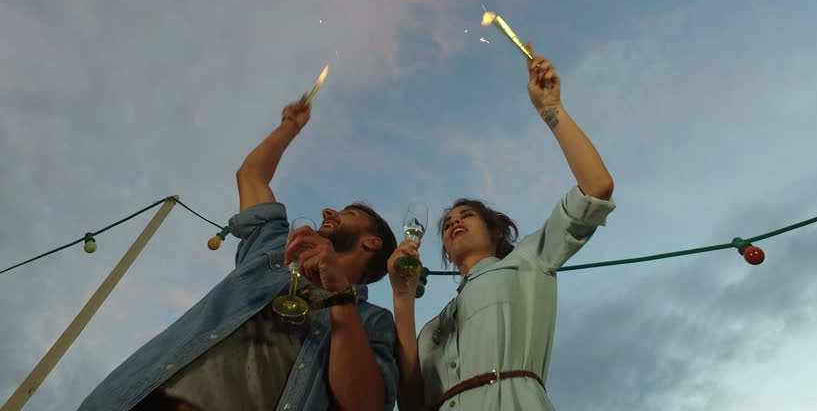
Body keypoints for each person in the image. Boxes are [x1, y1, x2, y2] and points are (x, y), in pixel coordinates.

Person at [78, 97, 400, 411]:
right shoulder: (274, 252)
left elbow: (366, 404)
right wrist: (290, 126)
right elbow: (251, 176)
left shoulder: (373, 321)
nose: (328, 210)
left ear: (371, 243)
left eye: (348, 214)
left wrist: (340, 298)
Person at [388, 44, 616, 411]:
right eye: (447, 223)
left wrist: (551, 110)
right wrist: (402, 298)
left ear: (496, 231)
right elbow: (412, 403)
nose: (454, 222)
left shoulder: (530, 259)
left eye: (466, 215)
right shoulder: (434, 328)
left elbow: (597, 188)